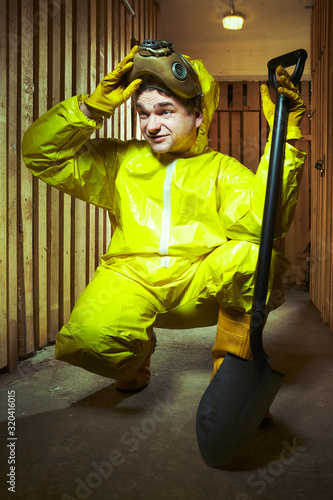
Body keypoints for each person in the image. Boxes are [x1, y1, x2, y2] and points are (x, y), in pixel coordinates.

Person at [22, 40, 306, 393]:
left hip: (197, 287)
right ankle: (137, 347)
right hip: (133, 279)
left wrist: (288, 138)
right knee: (89, 342)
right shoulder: (120, 161)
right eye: (143, 113)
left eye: (165, 111)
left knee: (251, 258)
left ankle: (232, 379)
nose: (151, 125)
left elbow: (265, 226)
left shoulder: (220, 170)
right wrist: (92, 108)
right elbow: (41, 154)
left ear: (198, 114)